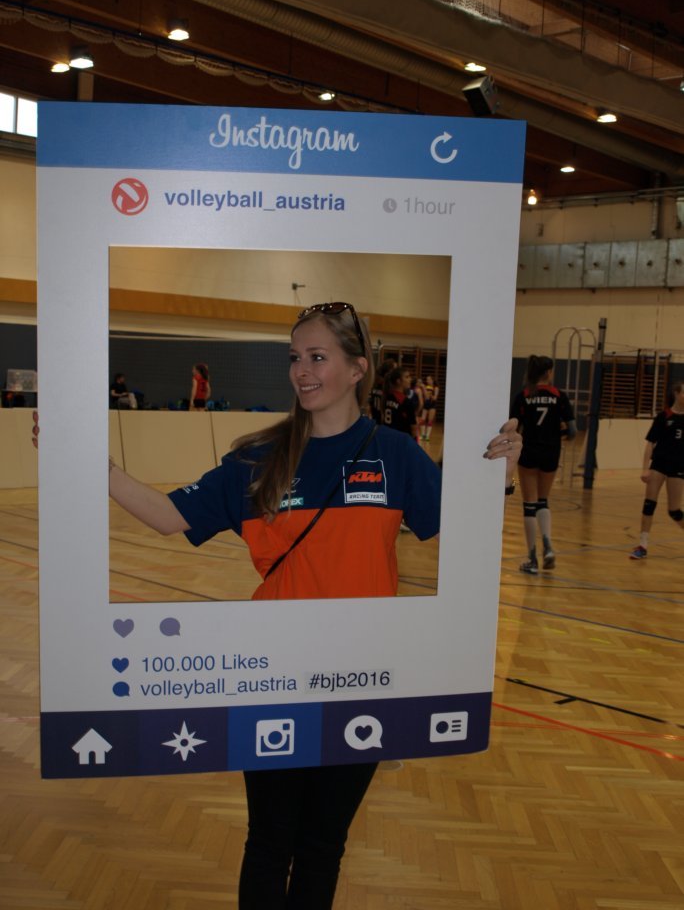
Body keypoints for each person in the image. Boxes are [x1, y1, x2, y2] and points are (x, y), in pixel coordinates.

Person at [31, 301, 520, 909]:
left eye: (317, 357)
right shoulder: (259, 457)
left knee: (324, 844)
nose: (301, 372)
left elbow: (465, 529)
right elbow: (170, 516)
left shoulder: (394, 454)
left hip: (363, 676)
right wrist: (93, 464)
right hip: (273, 675)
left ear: (357, 369)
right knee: (269, 841)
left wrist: (502, 474)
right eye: (295, 358)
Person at [509, 354, 576, 574]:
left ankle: (532, 559)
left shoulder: (523, 396)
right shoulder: (559, 396)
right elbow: (573, 430)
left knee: (529, 504)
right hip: (550, 452)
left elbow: (513, 428)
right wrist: (558, 434)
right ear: (548, 372)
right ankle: (548, 546)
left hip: (529, 451)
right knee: (543, 500)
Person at [629, 380, 684, 560]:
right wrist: (645, 468)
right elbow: (650, 443)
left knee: (674, 511)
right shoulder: (663, 416)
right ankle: (642, 546)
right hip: (659, 465)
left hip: (678, 467)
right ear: (677, 394)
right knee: (649, 504)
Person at [382, 366, 418, 440]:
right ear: (398, 381)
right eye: (407, 377)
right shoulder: (406, 401)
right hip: (401, 440)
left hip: (388, 437)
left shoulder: (387, 397)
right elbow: (413, 429)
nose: (410, 379)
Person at [369, 357, 396, 423]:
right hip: (383, 418)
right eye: (395, 369)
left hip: (375, 416)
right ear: (390, 371)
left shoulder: (375, 382)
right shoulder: (387, 385)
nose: (396, 372)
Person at [421, 375, 439, 442]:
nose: (427, 381)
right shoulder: (426, 387)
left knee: (430, 420)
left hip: (432, 405)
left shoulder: (436, 388)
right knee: (422, 420)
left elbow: (435, 398)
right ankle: (423, 435)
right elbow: (425, 397)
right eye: (427, 379)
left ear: (432, 380)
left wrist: (431, 395)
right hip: (426, 404)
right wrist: (424, 390)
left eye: (429, 379)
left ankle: (427, 436)